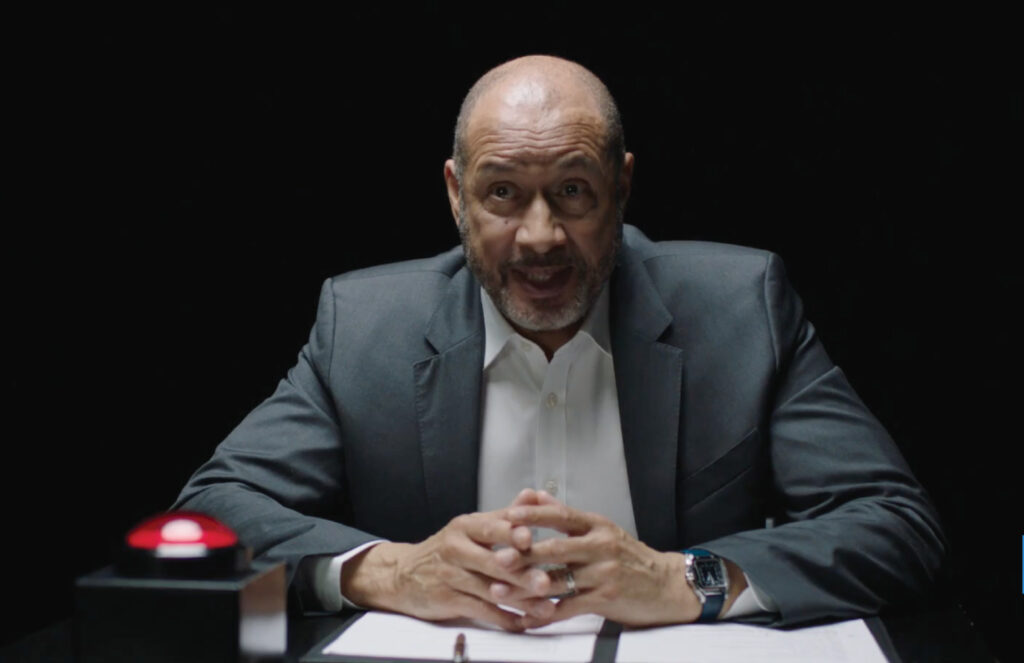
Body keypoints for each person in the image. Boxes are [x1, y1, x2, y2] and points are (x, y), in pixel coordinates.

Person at [174, 55, 945, 631]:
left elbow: (894, 522)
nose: (540, 237)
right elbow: (210, 512)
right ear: (455, 194)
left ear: (622, 186)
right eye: (503, 193)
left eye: (573, 191)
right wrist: (391, 569)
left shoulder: (743, 308)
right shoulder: (364, 325)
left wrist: (686, 578)